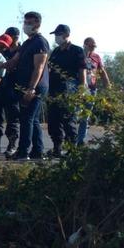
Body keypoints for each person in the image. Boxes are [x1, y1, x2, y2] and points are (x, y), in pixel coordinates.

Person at [2, 12, 50, 161]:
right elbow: (14, 61)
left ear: (37, 24)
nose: (26, 25)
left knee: (26, 118)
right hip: (23, 86)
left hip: (34, 87)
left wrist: (31, 88)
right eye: (25, 22)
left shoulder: (40, 42)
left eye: (30, 22)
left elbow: (39, 68)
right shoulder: (27, 43)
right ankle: (38, 152)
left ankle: (23, 152)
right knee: (33, 120)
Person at [46, 24, 85, 157]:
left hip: (69, 89)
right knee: (53, 120)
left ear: (66, 35)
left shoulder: (77, 50)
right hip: (53, 89)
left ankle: (72, 150)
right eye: (56, 35)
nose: (56, 37)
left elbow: (82, 70)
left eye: (59, 34)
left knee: (68, 119)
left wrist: (81, 89)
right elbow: (49, 68)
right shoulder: (56, 51)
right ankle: (57, 148)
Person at [0, 27, 21, 156]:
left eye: (10, 37)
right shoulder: (4, 50)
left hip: (13, 89)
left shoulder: (21, 51)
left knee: (12, 118)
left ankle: (12, 145)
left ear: (16, 38)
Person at [77, 37, 110, 145]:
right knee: (74, 114)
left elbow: (102, 71)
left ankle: (80, 141)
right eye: (91, 46)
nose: (93, 48)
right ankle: (71, 139)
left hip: (91, 90)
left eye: (94, 46)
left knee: (85, 116)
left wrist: (107, 85)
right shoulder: (79, 54)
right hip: (78, 89)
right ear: (85, 44)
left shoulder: (96, 57)